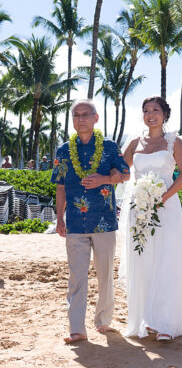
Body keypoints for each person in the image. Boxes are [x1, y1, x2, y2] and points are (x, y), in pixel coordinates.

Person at [119, 96, 182, 341]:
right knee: (143, 261)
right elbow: (120, 171)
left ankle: (167, 323)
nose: (151, 114)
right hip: (138, 208)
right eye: (146, 110)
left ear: (164, 114)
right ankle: (147, 319)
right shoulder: (134, 142)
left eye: (156, 110)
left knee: (166, 260)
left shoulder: (174, 141)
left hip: (166, 207)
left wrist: (163, 197)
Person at [51, 100, 129, 344]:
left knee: (105, 273)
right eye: (76, 115)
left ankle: (103, 320)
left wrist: (104, 178)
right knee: (76, 276)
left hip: (104, 220)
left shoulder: (109, 146)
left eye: (86, 114)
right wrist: (59, 218)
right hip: (74, 222)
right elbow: (60, 187)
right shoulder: (63, 150)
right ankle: (77, 328)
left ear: (96, 119)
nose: (81, 118)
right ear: (72, 120)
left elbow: (124, 174)